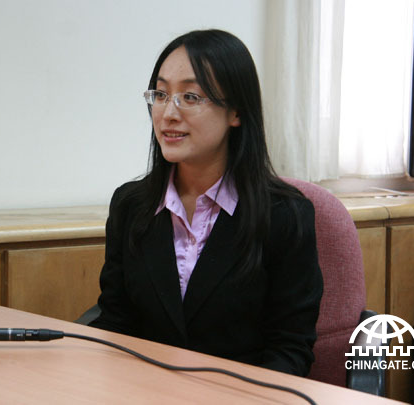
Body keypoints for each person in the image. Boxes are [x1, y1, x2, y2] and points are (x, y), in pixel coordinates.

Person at [89, 29, 323, 377]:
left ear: (236, 112)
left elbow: (289, 350)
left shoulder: (284, 216)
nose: (168, 113)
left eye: (191, 96)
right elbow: (116, 323)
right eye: (161, 94)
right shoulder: (131, 206)